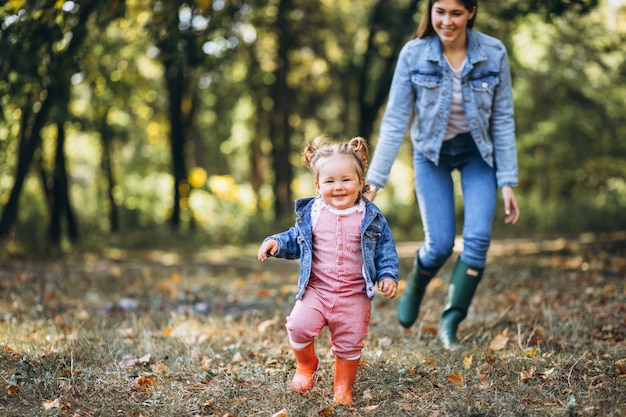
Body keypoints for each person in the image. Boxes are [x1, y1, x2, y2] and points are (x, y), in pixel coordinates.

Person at [364, 0, 520, 351]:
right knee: (439, 246)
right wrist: (376, 177)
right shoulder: (413, 54)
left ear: (471, 12)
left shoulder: (493, 53)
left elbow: (503, 119)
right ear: (430, 11)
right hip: (430, 154)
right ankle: (418, 284)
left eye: (456, 13)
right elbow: (395, 119)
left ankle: (450, 322)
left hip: (477, 155)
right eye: (440, 12)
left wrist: (507, 180)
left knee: (478, 239)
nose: (447, 21)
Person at [258, 136, 399, 405]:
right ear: (318, 185)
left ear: (360, 183)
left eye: (346, 180)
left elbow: (385, 249)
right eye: (330, 181)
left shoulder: (370, 216)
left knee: (350, 342)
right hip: (317, 290)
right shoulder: (312, 213)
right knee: (298, 326)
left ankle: (342, 387)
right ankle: (306, 365)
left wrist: (388, 275)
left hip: (353, 296)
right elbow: (295, 238)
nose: (338, 187)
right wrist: (275, 241)